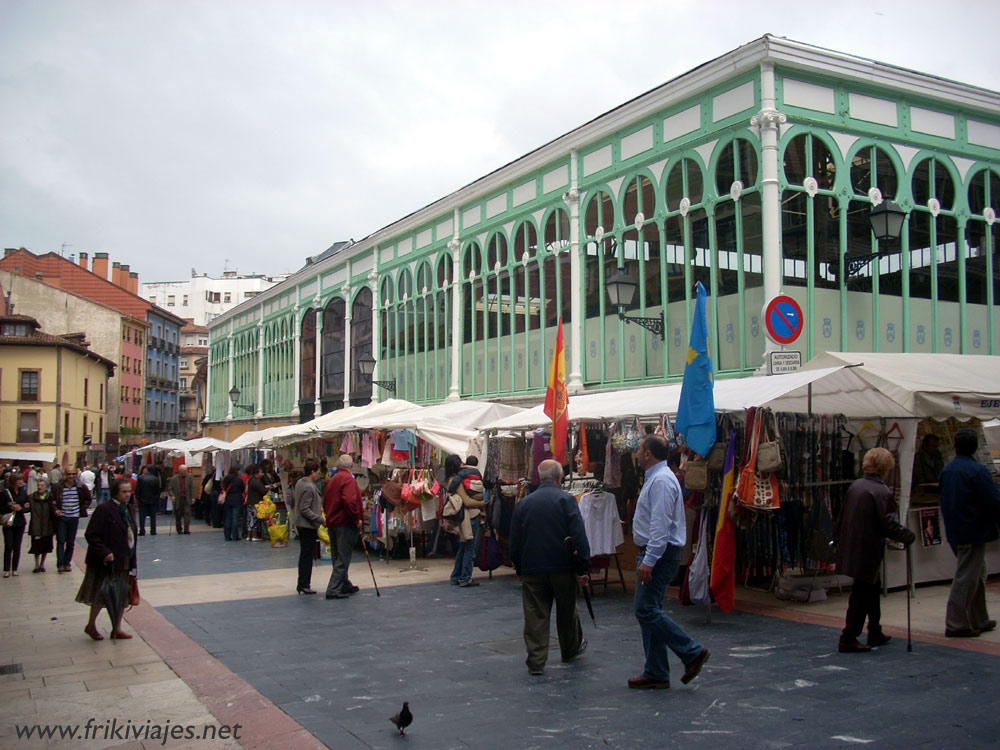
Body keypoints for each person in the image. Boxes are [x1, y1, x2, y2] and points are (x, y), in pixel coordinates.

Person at [628, 434, 710, 689]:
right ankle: (656, 670)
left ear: (649, 454)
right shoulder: (658, 479)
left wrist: (650, 559)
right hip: (659, 551)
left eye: (640, 449)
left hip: (660, 553)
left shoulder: (661, 481)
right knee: (649, 609)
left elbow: (660, 525)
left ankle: (691, 652)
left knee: (646, 609)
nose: (637, 453)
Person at [509, 459, 591, 675]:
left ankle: (536, 661)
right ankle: (569, 649)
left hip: (533, 567)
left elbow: (515, 540)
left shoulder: (524, 504)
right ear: (559, 477)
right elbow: (579, 536)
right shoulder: (566, 500)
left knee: (535, 615)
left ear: (539, 477)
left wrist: (518, 566)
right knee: (567, 611)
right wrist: (583, 567)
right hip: (562, 566)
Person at [834, 447, 916, 652]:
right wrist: (907, 536)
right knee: (862, 593)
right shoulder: (881, 491)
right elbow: (888, 524)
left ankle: (875, 631)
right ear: (886, 467)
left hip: (854, 544)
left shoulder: (856, 486)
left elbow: (842, 517)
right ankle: (848, 637)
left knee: (870, 590)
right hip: (867, 548)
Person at [939, 428, 1000, 638]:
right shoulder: (977, 470)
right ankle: (956, 622)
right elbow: (993, 501)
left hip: (956, 530)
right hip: (973, 530)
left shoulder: (947, 470)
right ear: (974, 447)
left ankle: (979, 618)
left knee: (976, 573)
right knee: (967, 576)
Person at [77, 477, 137, 641]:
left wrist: (133, 559)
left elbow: (131, 534)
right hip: (105, 561)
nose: (127, 495)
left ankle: (116, 628)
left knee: (120, 594)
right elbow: (91, 534)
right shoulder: (104, 509)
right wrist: (105, 552)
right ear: (115, 493)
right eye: (123, 492)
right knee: (100, 593)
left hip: (124, 558)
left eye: (129, 492)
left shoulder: (129, 509)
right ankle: (91, 625)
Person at [322, 455, 363, 599]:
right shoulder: (348, 480)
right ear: (351, 465)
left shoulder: (333, 479)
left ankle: (344, 583)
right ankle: (333, 589)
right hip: (344, 523)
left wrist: (328, 516)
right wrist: (356, 517)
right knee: (343, 557)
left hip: (333, 521)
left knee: (337, 555)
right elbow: (350, 501)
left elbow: (325, 500)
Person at [445, 453, 488, 587]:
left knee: (463, 547)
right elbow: (468, 502)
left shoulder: (454, 479)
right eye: (460, 462)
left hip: (466, 516)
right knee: (470, 547)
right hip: (469, 516)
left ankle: (456, 576)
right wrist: (483, 503)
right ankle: (465, 578)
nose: (462, 464)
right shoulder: (456, 481)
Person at [292, 460, 325, 595]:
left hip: (302, 524)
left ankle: (303, 582)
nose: (318, 475)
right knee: (307, 554)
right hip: (307, 525)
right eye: (317, 472)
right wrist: (319, 519)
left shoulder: (300, 483)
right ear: (312, 472)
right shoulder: (309, 487)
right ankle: (304, 583)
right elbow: (304, 508)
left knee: (305, 553)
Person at [53, 467, 92, 573]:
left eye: (73, 474)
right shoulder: (58, 487)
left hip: (74, 517)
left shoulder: (81, 486)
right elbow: (52, 500)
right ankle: (60, 564)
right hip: (62, 517)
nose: (71, 476)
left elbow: (88, 499)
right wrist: (55, 509)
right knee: (61, 541)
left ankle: (67, 563)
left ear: (76, 474)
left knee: (70, 542)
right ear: (65, 474)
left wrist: (81, 508)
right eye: (69, 474)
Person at [1, 473, 29, 577]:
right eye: (19, 480)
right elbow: (1, 507)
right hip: (9, 522)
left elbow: (28, 506)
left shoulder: (23, 492)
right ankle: (6, 569)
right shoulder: (5, 493)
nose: (22, 482)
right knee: (8, 545)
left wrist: (22, 508)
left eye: (22, 480)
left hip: (20, 522)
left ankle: (15, 568)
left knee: (17, 546)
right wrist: (10, 508)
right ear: (14, 481)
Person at [28, 478, 57, 573]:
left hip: (47, 525)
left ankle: (42, 564)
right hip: (36, 525)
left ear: (46, 487)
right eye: (38, 485)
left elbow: (54, 510)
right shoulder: (32, 497)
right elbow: (26, 508)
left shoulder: (50, 497)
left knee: (45, 546)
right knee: (36, 546)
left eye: (42, 485)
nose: (39, 487)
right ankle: (36, 564)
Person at [169, 464, 195, 535]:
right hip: (178, 498)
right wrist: (172, 495)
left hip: (187, 498)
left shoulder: (189, 477)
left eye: (186, 470)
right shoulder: (174, 478)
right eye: (183, 470)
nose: (185, 472)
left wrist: (193, 497)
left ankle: (187, 529)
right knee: (178, 514)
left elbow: (192, 487)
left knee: (187, 514)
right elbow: (170, 488)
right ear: (180, 470)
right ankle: (179, 529)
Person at [135, 465, 161, 536]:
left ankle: (142, 531)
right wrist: (156, 498)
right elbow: (158, 490)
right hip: (153, 499)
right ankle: (153, 530)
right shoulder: (156, 479)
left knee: (142, 516)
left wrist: (138, 497)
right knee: (153, 516)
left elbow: (138, 489)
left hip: (143, 499)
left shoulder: (141, 478)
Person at [221, 466, 245, 541]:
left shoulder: (225, 479)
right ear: (236, 471)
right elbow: (242, 488)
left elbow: (223, 488)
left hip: (228, 499)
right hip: (236, 499)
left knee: (227, 518)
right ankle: (235, 536)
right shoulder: (238, 480)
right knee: (235, 518)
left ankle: (227, 536)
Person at [245, 465, 267, 542]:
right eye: (261, 472)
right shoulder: (257, 481)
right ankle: (254, 535)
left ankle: (249, 535)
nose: (263, 474)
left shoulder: (250, 479)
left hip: (250, 502)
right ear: (257, 473)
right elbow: (263, 491)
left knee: (250, 519)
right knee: (255, 519)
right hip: (256, 502)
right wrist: (267, 488)